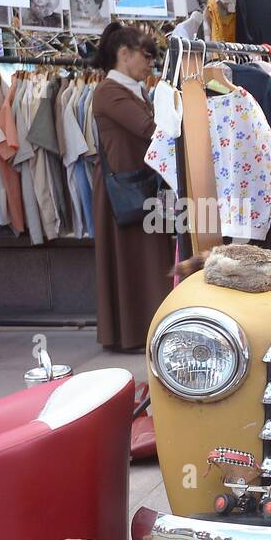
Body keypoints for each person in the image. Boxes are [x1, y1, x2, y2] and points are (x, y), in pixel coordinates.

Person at [91, 23, 172, 352]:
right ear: (124, 54)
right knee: (134, 261)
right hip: (124, 191)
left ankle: (147, 329)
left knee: (145, 260)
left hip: (139, 186)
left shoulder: (131, 89)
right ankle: (136, 333)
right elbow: (147, 129)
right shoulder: (109, 92)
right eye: (147, 55)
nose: (151, 62)